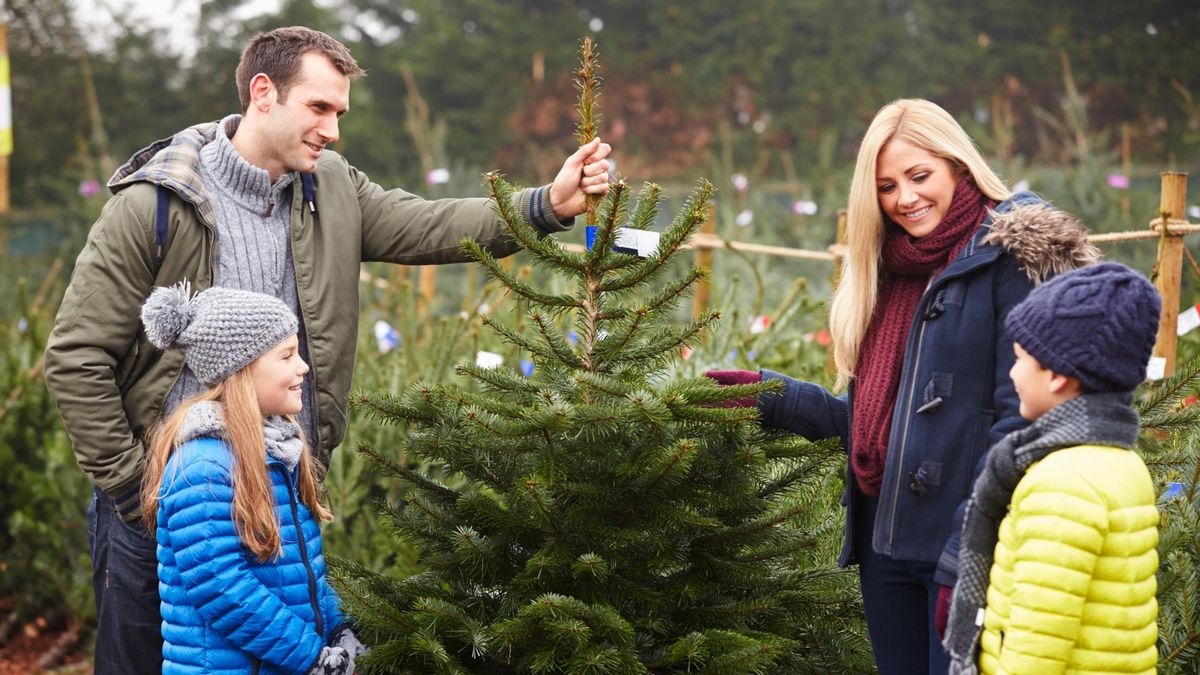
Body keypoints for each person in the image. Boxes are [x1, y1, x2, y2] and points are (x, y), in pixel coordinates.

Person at [42, 26, 610, 675]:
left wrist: (546, 205)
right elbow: (76, 357)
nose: (333, 129)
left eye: (339, 112)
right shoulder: (155, 206)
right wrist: (135, 488)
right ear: (263, 93)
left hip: (279, 502)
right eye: (319, 108)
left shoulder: (331, 187)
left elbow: (430, 224)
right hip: (167, 509)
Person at [706, 98, 1100, 674]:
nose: (905, 199)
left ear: (959, 166)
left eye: (920, 176)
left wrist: (971, 545)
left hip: (966, 548)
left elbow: (1027, 420)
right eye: (887, 186)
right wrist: (774, 395)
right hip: (884, 544)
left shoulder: (1011, 258)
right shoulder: (889, 269)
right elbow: (883, 424)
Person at [941, 263, 1161, 675]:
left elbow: (1036, 644)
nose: (1011, 372)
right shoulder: (1121, 460)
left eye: (1020, 358)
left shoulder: (1062, 483)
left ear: (1057, 376)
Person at [140, 284, 367, 675]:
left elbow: (304, 572)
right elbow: (220, 588)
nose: (303, 367)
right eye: (286, 356)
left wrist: (340, 628)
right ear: (242, 370)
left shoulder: (277, 452)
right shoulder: (202, 466)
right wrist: (311, 657)